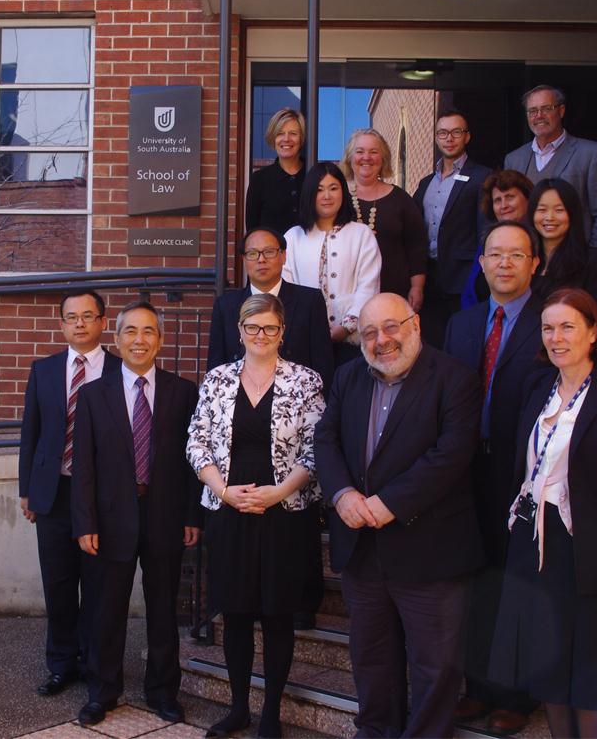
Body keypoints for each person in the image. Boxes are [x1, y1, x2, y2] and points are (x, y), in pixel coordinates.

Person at [489, 288, 597, 739]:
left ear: (593, 332)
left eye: (567, 327)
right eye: (548, 328)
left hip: (587, 553)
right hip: (532, 545)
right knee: (547, 667)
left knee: (587, 675)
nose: (556, 337)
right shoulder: (536, 388)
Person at [315, 292, 483, 737]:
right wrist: (342, 494)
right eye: (369, 332)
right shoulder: (348, 377)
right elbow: (326, 439)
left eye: (391, 327)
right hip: (363, 549)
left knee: (434, 665)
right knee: (372, 656)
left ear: (415, 325)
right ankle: (376, 731)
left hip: (430, 550)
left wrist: (389, 503)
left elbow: (450, 455)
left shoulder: (455, 378)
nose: (382, 340)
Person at [188, 293, 326, 739]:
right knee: (236, 613)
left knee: (277, 615)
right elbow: (196, 442)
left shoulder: (305, 381)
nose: (261, 335)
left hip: (284, 512)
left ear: (282, 332)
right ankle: (238, 709)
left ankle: (270, 714)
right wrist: (223, 491)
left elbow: (316, 448)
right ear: (240, 331)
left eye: (270, 327)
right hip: (230, 510)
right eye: (253, 327)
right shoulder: (217, 379)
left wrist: (280, 491)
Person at [70, 302, 202, 727]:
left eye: (148, 331)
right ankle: (102, 692)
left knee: (163, 610)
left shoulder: (183, 392)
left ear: (159, 340)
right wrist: (85, 522)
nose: (139, 340)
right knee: (106, 611)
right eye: (130, 331)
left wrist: (192, 515)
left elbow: (192, 461)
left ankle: (162, 691)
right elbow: (83, 466)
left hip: (165, 516)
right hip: (110, 521)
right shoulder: (93, 395)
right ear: (117, 339)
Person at [444, 222, 551, 735]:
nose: (504, 263)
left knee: (519, 582)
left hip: (523, 472)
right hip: (468, 470)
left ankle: (517, 694)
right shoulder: (461, 325)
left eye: (516, 255)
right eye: (495, 254)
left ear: (535, 264)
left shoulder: (549, 322)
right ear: (481, 263)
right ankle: (478, 686)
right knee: (474, 577)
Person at [18, 290, 120, 697]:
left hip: (101, 496)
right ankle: (61, 664)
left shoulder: (119, 370)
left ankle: (94, 664)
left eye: (88, 316)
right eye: (71, 317)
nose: (79, 323)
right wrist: (27, 489)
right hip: (55, 492)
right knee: (58, 584)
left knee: (97, 585)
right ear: (61, 324)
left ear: (103, 322)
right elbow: (31, 433)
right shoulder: (43, 370)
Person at [207, 226, 334, 392]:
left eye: (269, 252)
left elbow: (323, 362)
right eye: (252, 253)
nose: (261, 259)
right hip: (238, 397)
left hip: (297, 398)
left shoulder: (310, 301)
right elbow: (216, 364)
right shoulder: (225, 305)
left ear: (283, 255)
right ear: (244, 259)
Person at [284, 161, 382, 367]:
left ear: (343, 192)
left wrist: (346, 327)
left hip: (352, 343)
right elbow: (287, 287)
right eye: (319, 190)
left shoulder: (361, 234)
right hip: (303, 341)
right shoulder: (293, 237)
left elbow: (368, 285)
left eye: (333, 188)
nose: (327, 196)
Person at [503, 85, 597, 254]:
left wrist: (595, 260)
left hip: (575, 260)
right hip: (526, 259)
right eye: (533, 111)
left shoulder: (591, 153)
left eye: (546, 108)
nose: (539, 116)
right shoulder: (514, 160)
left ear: (561, 110)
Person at [412, 110, 492, 346]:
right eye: (443, 133)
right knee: (431, 344)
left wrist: (479, 277)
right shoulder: (426, 182)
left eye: (456, 132)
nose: (449, 138)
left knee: (462, 344)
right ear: (436, 138)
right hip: (429, 281)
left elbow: (486, 231)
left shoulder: (482, 177)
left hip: (464, 282)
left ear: (467, 136)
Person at [341, 129, 428, 312]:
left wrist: (417, 287)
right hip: (346, 294)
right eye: (360, 151)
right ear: (350, 157)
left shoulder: (401, 199)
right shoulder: (337, 198)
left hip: (393, 293)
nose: (366, 157)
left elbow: (416, 247)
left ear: (383, 158)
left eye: (374, 152)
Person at [527, 178, 597, 311]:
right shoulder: (524, 259)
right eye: (542, 210)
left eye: (559, 210)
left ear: (572, 214)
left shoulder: (592, 260)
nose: (549, 217)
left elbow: (596, 314)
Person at [461, 170, 535, 308]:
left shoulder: (538, 241)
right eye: (497, 200)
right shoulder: (489, 241)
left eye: (510, 197)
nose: (503, 205)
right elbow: (470, 292)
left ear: (528, 198)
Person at [245, 108, 307, 237]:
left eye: (293, 133)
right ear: (273, 138)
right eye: (280, 133)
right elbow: (252, 232)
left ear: (301, 138)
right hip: (272, 250)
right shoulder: (259, 180)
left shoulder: (313, 175)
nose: (286, 139)